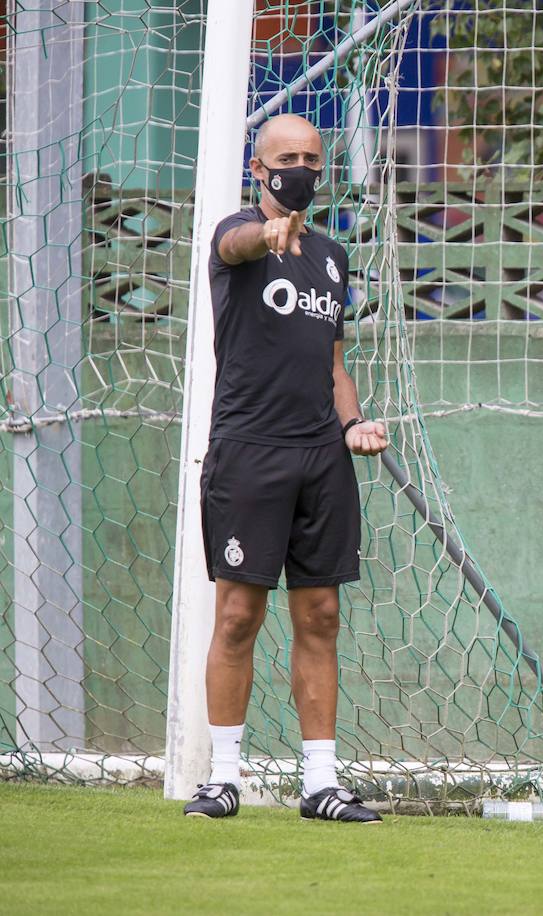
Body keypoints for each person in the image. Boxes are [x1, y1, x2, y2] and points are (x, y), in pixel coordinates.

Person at [183, 114, 389, 823]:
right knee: (238, 615)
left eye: (310, 157)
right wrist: (264, 233)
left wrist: (355, 423)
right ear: (258, 168)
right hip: (249, 453)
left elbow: (334, 365)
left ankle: (320, 784)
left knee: (322, 614)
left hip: (321, 458)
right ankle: (220, 778)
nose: (299, 167)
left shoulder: (331, 256)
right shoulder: (233, 237)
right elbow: (237, 244)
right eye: (286, 158)